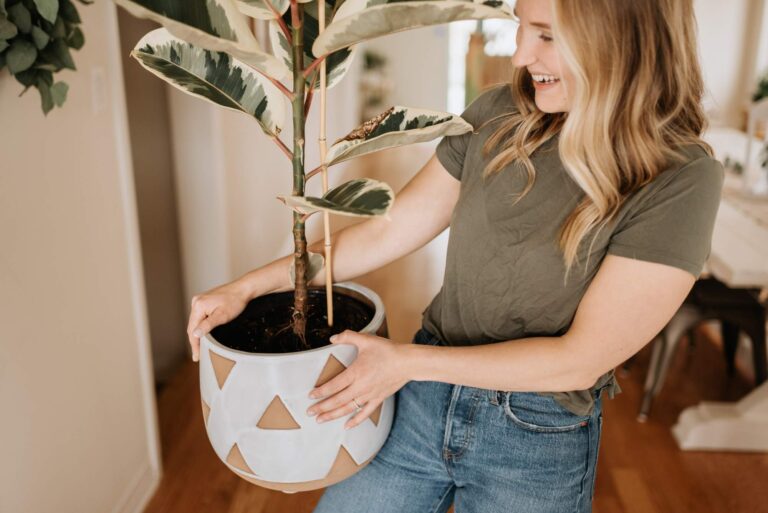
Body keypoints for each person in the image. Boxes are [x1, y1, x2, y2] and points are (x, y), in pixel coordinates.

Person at [186, 0, 724, 511]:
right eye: (521, 26)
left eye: (547, 35)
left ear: (626, 40)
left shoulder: (680, 178)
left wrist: (405, 364)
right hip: (421, 399)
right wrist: (249, 286)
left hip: (534, 437)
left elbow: (581, 358)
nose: (519, 55)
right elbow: (384, 232)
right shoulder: (498, 114)